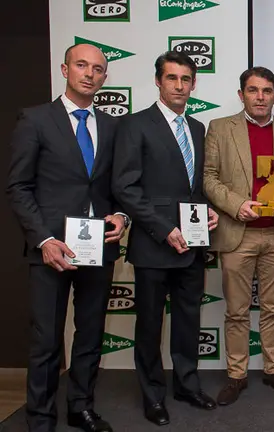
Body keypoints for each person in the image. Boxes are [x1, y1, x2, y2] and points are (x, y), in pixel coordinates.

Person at [6, 43, 127, 432]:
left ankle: (81, 407)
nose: (89, 73)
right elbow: (19, 187)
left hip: (99, 248)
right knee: (46, 341)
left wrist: (122, 216)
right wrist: (43, 239)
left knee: (90, 335)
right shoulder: (36, 120)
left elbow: (118, 188)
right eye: (81, 65)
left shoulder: (112, 126)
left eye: (97, 68)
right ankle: (40, 418)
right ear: (65, 69)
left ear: (105, 77)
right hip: (51, 250)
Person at [112, 51, 219, 426]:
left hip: (192, 244)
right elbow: (125, 188)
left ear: (193, 84)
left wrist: (206, 209)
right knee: (150, 326)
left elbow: (195, 186)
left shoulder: (198, 128)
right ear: (158, 81)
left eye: (186, 79)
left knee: (189, 320)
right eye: (172, 78)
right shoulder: (135, 125)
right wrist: (164, 228)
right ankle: (153, 395)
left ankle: (187, 385)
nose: (179, 85)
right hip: (154, 245)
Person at [203, 66, 274, 405]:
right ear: (241, 94)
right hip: (237, 233)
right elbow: (209, 178)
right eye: (253, 90)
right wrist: (236, 204)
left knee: (273, 308)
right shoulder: (220, 128)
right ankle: (236, 375)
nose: (260, 97)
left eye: (267, 91)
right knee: (236, 311)